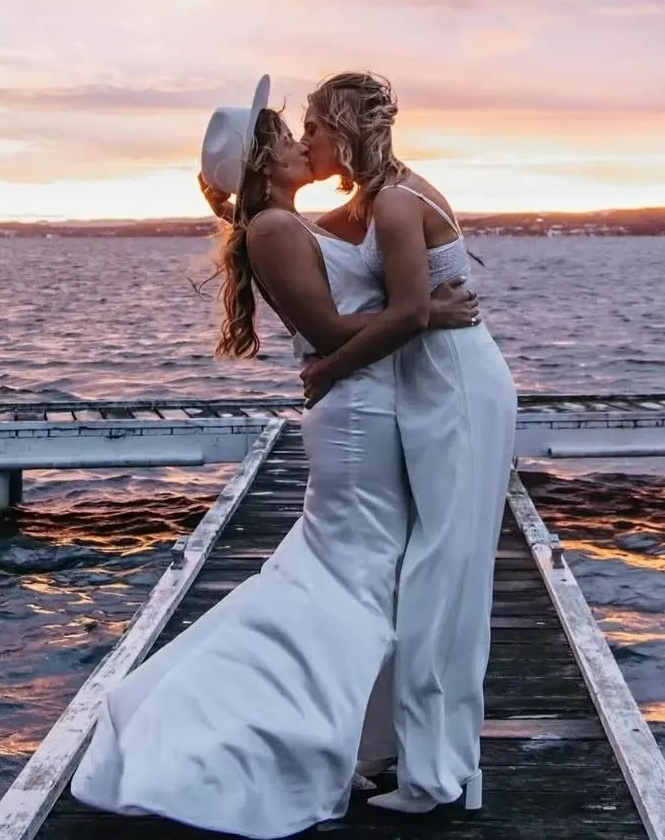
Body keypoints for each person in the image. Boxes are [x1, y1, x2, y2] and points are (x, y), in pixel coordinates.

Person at [70, 76, 479, 838]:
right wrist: (426, 316)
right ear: (264, 163)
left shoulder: (286, 221)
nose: (299, 142)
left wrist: (411, 302)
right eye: (285, 137)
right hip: (357, 415)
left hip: (368, 402)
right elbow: (328, 333)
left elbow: (365, 281)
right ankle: (273, 731)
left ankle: (358, 735)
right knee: (351, 576)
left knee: (365, 571)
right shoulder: (273, 229)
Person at [298, 70, 518, 815]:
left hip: (455, 390)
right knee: (431, 572)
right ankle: (435, 760)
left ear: (348, 129)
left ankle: (435, 776)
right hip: (427, 387)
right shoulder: (367, 203)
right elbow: (289, 238)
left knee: (442, 576)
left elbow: (414, 312)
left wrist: (326, 368)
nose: (308, 142)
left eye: (316, 129)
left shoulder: (394, 204)